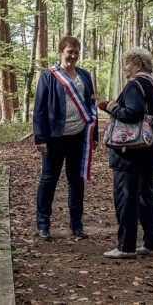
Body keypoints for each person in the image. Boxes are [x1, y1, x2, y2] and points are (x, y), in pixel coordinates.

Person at [96, 46, 153, 259]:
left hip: (130, 154)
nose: (125, 67)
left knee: (126, 200)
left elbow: (132, 113)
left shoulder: (135, 85)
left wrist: (111, 106)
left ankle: (126, 246)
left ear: (138, 65)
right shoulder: (151, 85)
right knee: (146, 200)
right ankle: (152, 244)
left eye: (128, 63)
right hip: (148, 153)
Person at [33, 36, 98, 241]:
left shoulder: (85, 75)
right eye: (69, 51)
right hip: (54, 137)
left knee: (76, 180)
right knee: (49, 179)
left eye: (76, 52)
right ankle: (43, 224)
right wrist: (40, 138)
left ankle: (76, 223)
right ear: (61, 51)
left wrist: (93, 135)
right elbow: (39, 109)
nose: (73, 56)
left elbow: (91, 107)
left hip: (79, 136)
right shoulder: (48, 76)